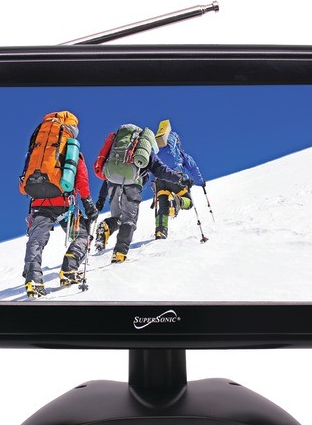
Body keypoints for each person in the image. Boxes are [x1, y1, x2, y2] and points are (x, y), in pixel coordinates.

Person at [94, 125, 193, 263]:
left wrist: (101, 198)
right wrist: (179, 179)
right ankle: (119, 254)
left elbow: (106, 175)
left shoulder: (116, 149)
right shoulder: (143, 150)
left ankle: (106, 226)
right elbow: (160, 170)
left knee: (118, 217)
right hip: (132, 185)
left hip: (112, 183)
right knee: (129, 220)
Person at [23, 144, 98, 298]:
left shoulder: (37, 150)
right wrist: (89, 205)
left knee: (36, 241)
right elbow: (82, 181)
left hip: (39, 204)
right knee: (82, 236)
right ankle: (69, 269)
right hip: (64, 205)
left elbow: (23, 183)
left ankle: (33, 278)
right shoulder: (73, 153)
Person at [152, 125, 205, 239]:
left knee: (163, 207)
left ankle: (160, 232)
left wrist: (153, 185)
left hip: (159, 183)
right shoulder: (180, 154)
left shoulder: (156, 153)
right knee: (188, 202)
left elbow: (152, 168)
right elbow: (193, 168)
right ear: (176, 142)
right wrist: (200, 182)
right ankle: (178, 202)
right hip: (176, 179)